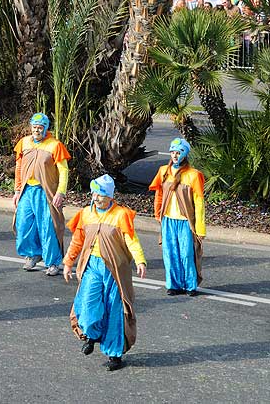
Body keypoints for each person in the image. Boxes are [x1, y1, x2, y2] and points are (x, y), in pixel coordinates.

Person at [63, 174, 146, 371]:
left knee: (114, 311)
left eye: (100, 195)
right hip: (92, 266)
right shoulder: (85, 214)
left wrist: (140, 260)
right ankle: (93, 335)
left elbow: (131, 240)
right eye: (94, 194)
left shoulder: (120, 215)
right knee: (88, 305)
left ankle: (114, 355)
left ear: (110, 196)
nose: (96, 198)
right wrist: (68, 262)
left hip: (115, 271)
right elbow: (77, 241)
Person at [13, 112, 71, 276]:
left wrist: (61, 192)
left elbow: (63, 170)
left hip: (46, 192)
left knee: (48, 227)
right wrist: (17, 190)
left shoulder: (55, 145)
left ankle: (53, 262)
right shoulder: (24, 143)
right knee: (23, 224)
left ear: (46, 128)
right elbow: (18, 168)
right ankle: (33, 254)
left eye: (40, 128)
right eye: (34, 127)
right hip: (27, 191)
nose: (36, 131)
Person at [149, 138, 205, 296]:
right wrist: (158, 213)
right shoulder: (163, 171)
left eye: (178, 152)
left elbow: (199, 203)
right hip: (168, 220)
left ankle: (190, 285)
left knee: (187, 254)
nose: (174, 155)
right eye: (172, 151)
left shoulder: (194, 175)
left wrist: (200, 228)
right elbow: (159, 194)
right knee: (169, 252)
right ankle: (173, 285)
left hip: (185, 222)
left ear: (184, 154)